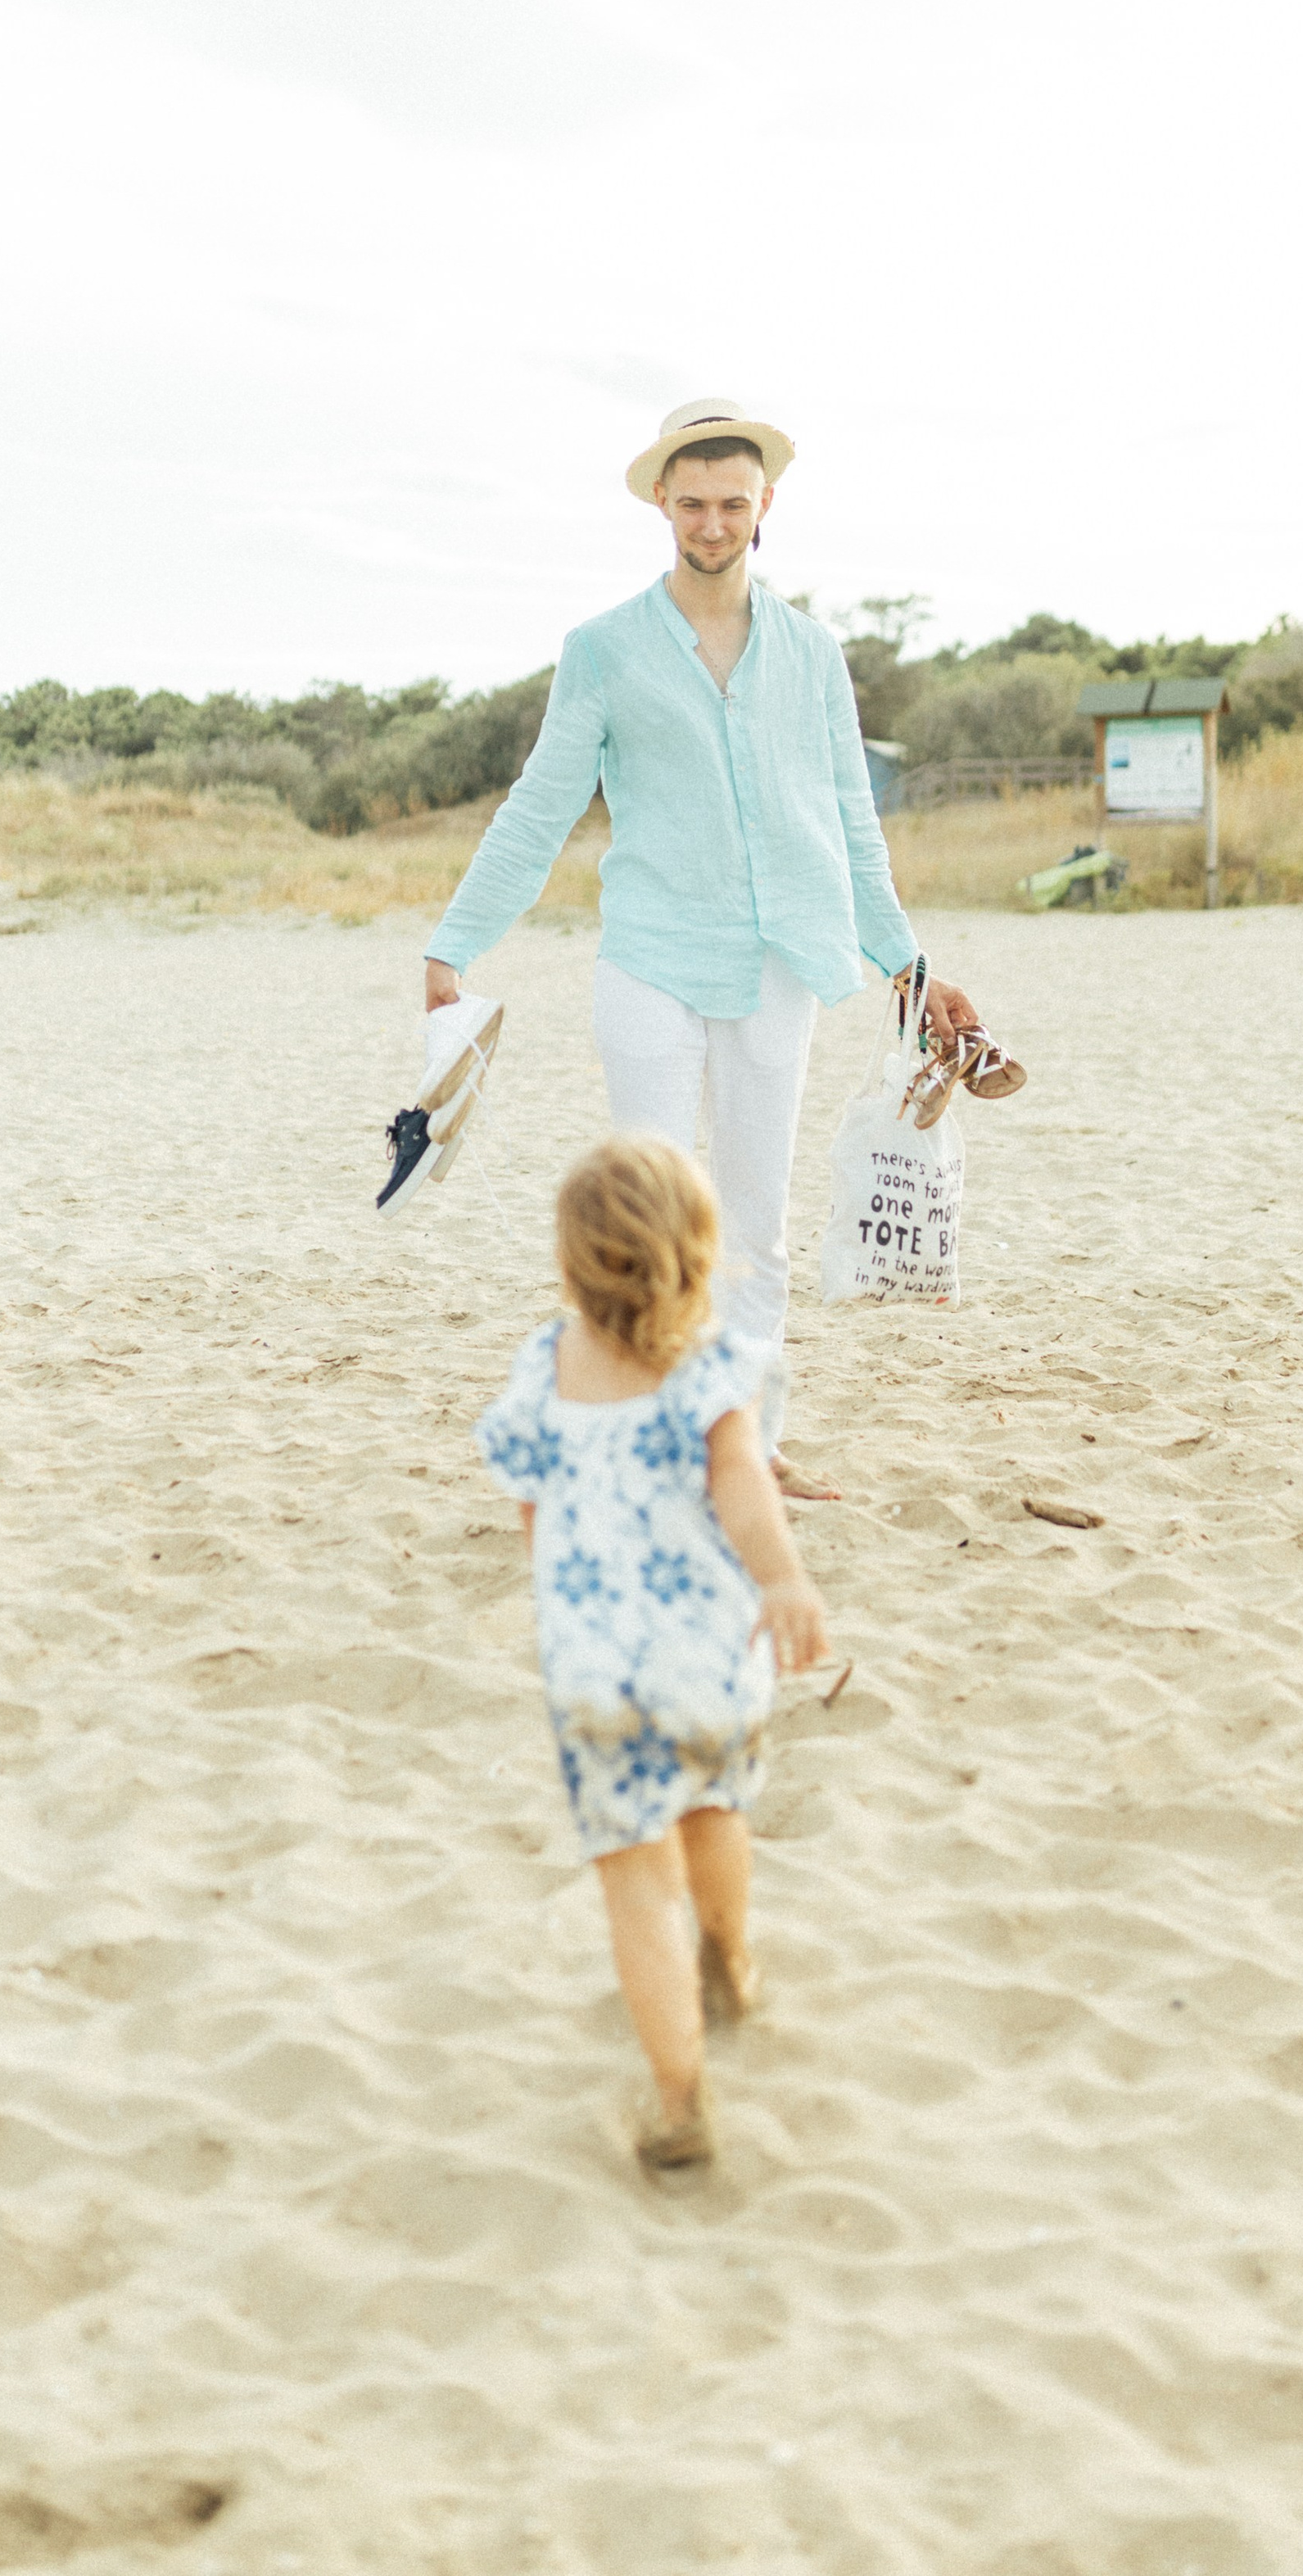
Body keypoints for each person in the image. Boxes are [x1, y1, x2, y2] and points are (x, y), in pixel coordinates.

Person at [425, 394, 980, 1494]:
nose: (714, 523)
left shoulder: (815, 655)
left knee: (756, 1225)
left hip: (782, 965)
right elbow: (541, 806)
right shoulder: (604, 651)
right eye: (694, 504)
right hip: (651, 960)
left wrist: (907, 964)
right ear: (663, 507)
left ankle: (749, 1448)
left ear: (765, 503)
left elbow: (848, 820)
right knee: (653, 1218)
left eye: (733, 502)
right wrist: (455, 943)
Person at [477, 1134, 830, 2169]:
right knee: (715, 1810)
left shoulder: (545, 1368)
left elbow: (533, 1512)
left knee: (635, 1882)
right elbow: (744, 1488)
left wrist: (561, 1617)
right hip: (710, 1657)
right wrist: (783, 1580)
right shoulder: (711, 1369)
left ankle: (679, 2104)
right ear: (698, 1252)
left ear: (571, 1261)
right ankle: (728, 1961)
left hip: (597, 1667)